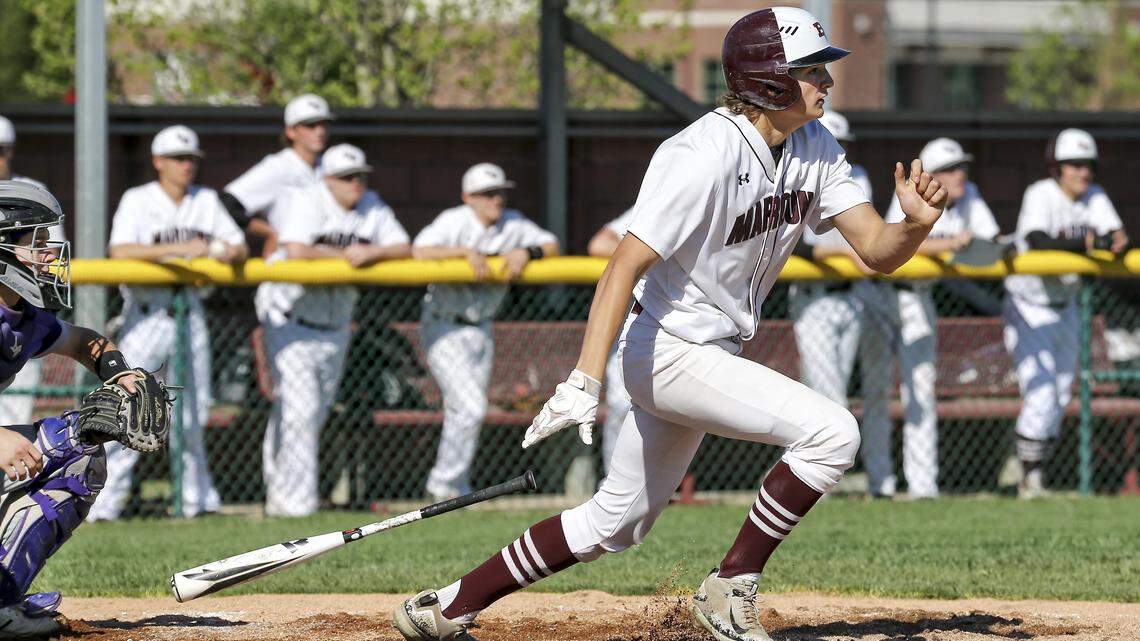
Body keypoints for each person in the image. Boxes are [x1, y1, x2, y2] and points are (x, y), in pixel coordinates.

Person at [393, 8, 947, 641]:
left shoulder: (815, 146)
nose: (826, 79)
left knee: (616, 522)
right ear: (769, 80)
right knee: (831, 434)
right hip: (667, 350)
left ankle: (446, 606)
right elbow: (621, 266)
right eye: (811, 68)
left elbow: (876, 251)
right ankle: (730, 585)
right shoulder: (700, 154)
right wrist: (583, 378)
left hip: (712, 350)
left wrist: (917, 226)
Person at [0, 180, 161, 637]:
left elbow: (85, 341)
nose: (49, 253)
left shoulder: (22, 317)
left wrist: (118, 372)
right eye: (36, 242)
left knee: (77, 452)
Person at [89, 125, 248, 521]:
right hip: (146, 317)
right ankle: (104, 505)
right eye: (179, 158)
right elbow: (120, 250)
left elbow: (239, 245)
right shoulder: (138, 199)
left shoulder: (206, 200)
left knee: (193, 413)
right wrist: (181, 249)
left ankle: (197, 501)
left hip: (189, 314)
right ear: (158, 162)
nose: (186, 165)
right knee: (128, 409)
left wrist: (222, 251)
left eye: (192, 159)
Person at [256, 143, 411, 517]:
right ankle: (297, 505)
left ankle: (279, 494)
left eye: (360, 175)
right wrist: (345, 257)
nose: (355, 183)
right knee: (301, 410)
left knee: (306, 412)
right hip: (289, 317)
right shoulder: (309, 201)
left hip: (336, 325)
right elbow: (296, 250)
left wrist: (372, 253)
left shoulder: (372, 204)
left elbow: (404, 246)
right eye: (346, 177)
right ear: (327, 180)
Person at [858, 137, 1000, 500]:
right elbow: (895, 245)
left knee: (921, 391)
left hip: (919, 297)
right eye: (950, 170)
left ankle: (923, 487)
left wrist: (963, 244)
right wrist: (951, 244)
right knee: (875, 392)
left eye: (961, 167)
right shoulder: (912, 192)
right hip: (882, 295)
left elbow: (993, 241)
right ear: (932, 175)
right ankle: (880, 483)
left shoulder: (969, 197)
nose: (959, 175)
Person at [413, 163, 560, 502]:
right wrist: (463, 252)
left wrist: (527, 251)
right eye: (487, 194)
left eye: (500, 192)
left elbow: (551, 244)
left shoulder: (513, 223)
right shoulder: (455, 220)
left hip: (481, 328)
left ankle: (456, 488)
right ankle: (441, 484)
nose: (496, 199)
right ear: (468, 198)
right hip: (444, 324)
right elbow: (420, 250)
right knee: (471, 408)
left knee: (461, 410)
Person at [1003, 128, 1128, 498]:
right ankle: (1029, 475)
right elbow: (1039, 240)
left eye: (1087, 165)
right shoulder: (1040, 193)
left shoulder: (1096, 196)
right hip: (1030, 305)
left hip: (1067, 303)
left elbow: (1117, 237)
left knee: (1059, 393)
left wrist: (1111, 240)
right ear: (1056, 167)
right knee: (1040, 391)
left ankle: (1028, 464)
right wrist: (1090, 242)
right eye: (1073, 164)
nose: (1082, 173)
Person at [788, 110, 875, 419]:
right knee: (832, 401)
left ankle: (804, 466)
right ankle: (822, 465)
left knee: (819, 400)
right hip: (814, 299)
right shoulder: (796, 174)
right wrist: (848, 255)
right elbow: (798, 247)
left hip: (851, 297)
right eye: (833, 142)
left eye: (844, 144)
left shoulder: (855, 177)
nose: (838, 150)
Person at [0, 116, 66, 429]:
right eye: (36, 244)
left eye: (3, 150)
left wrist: (115, 368)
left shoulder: (29, 194)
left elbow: (78, 340)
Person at [223, 94, 333, 256]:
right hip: (287, 265)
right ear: (290, 131)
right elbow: (227, 204)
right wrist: (269, 232)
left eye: (323, 124)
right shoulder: (279, 166)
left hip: (327, 263)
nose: (319, 131)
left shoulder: (331, 167)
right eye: (310, 125)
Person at [586, 208, 635, 472]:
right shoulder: (652, 201)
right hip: (635, 327)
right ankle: (614, 481)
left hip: (689, 327)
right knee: (621, 404)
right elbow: (598, 244)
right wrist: (649, 252)